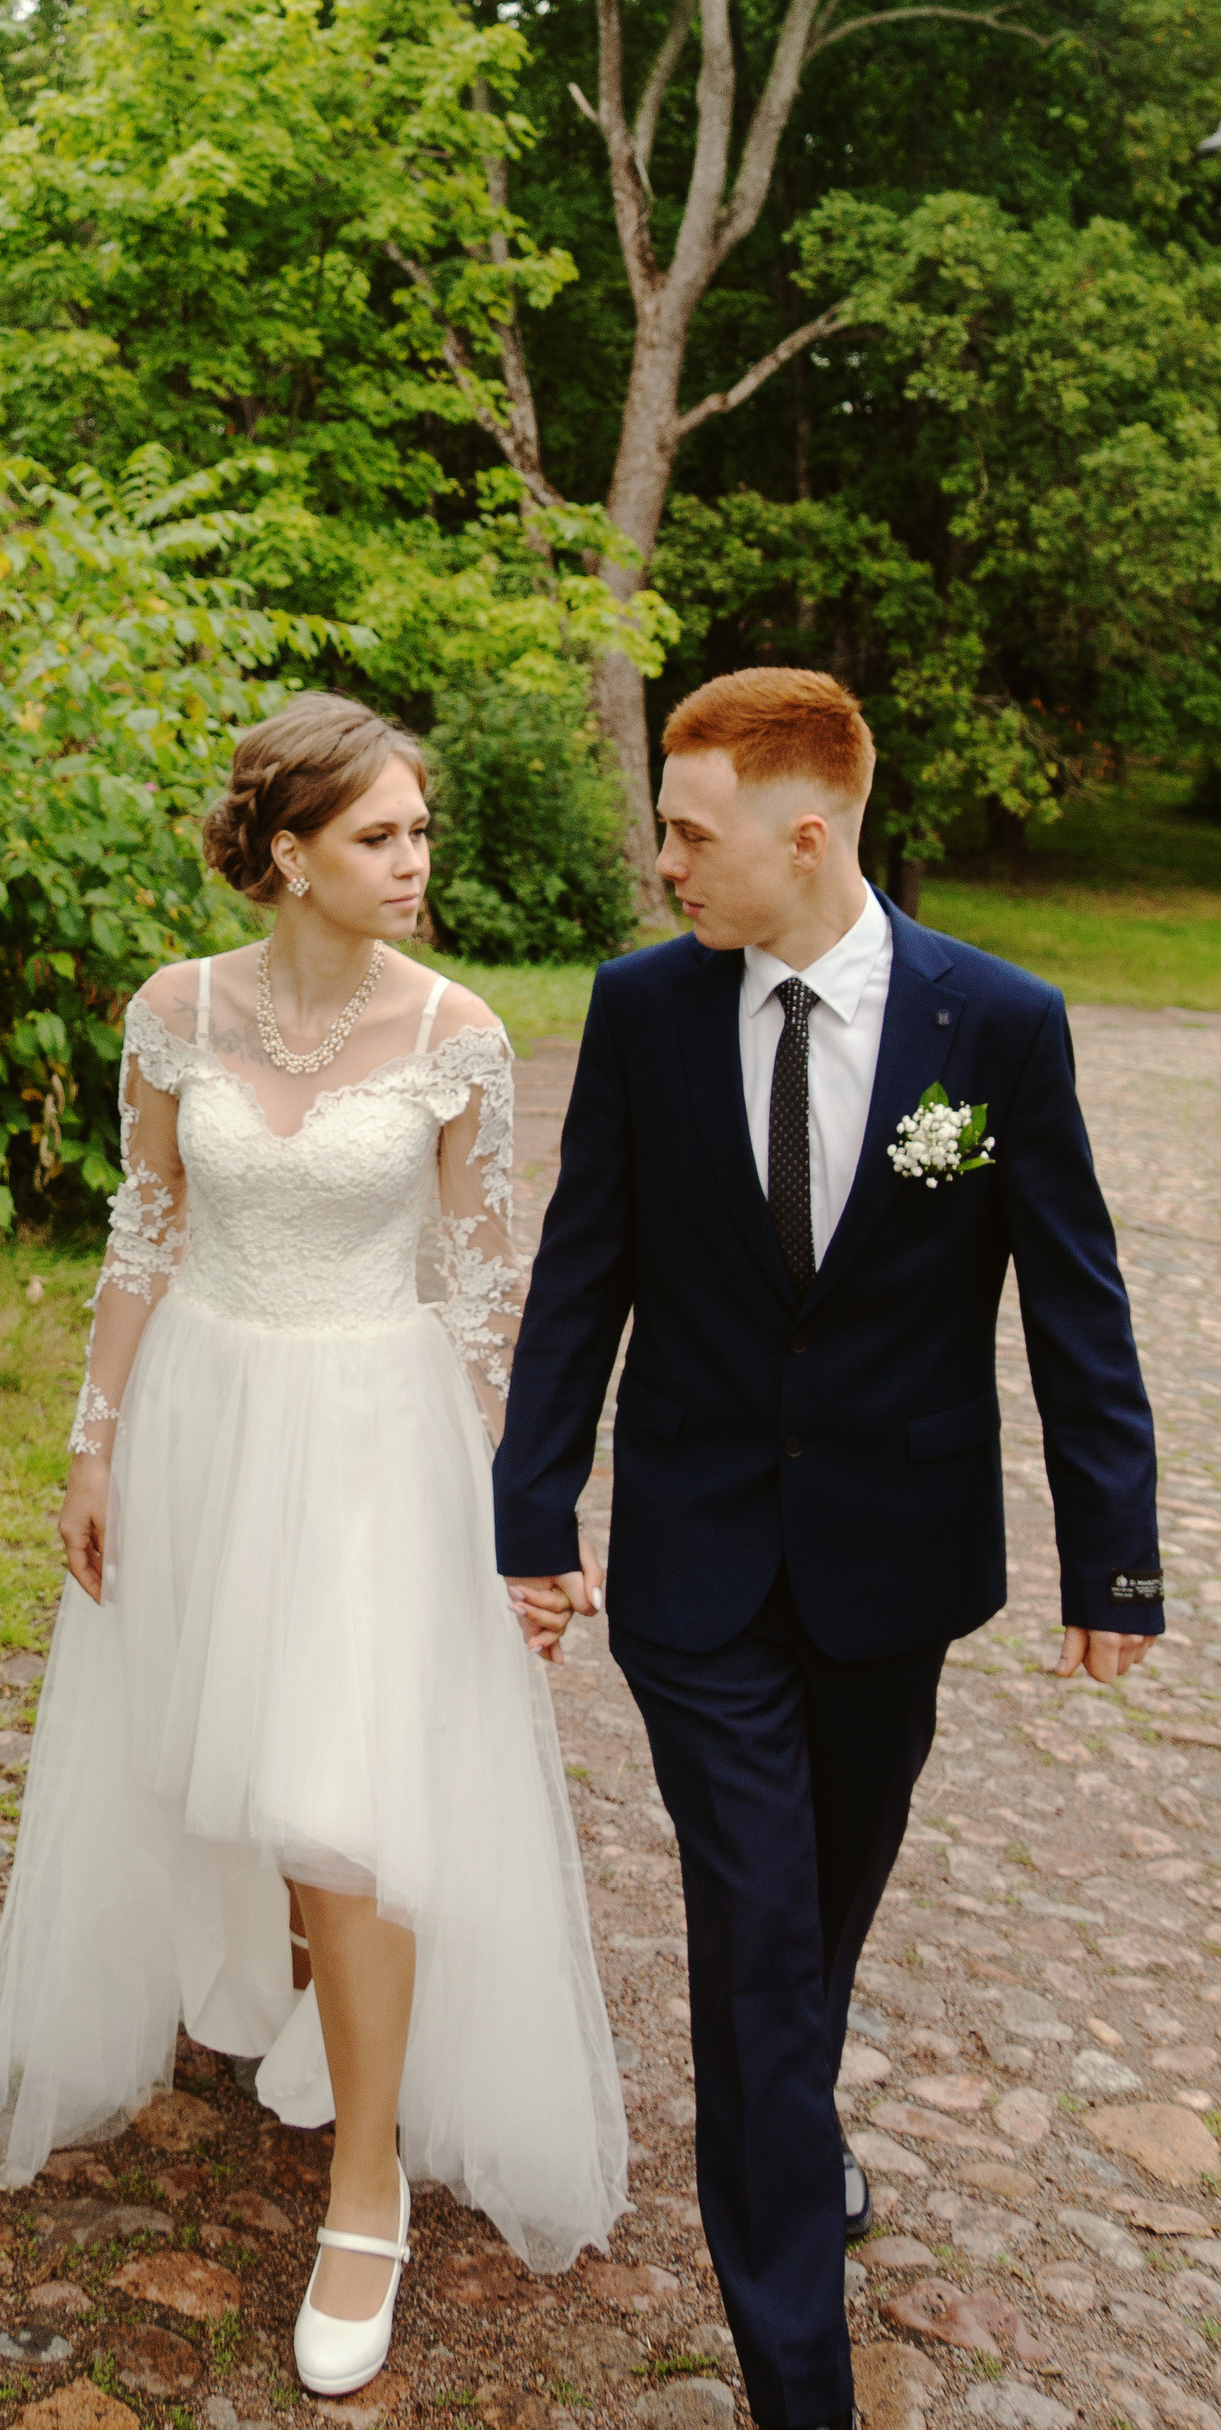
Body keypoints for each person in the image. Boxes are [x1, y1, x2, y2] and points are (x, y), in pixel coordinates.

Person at [495, 667, 1163, 2430]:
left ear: (808, 836)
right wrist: (532, 1504)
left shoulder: (998, 1025)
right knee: (757, 1933)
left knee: (820, 1910)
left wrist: (1119, 1558)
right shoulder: (642, 1014)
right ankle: (802, 2375)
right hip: (699, 1566)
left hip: (898, 1559)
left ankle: (792, 2115)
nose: (662, 863)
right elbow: (585, 1276)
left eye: (688, 832)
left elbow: (1075, 1304)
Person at [0, 693, 627, 2395]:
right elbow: (145, 1229)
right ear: (287, 856)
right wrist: (92, 1446)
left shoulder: (456, 1034)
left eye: (420, 832)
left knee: (340, 1796)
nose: (418, 863)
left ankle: (365, 2184)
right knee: (224, 1753)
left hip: (372, 1440)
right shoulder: (172, 1012)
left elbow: (489, 1294)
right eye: (382, 837)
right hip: (202, 1412)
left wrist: (518, 1515)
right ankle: (286, 2014)